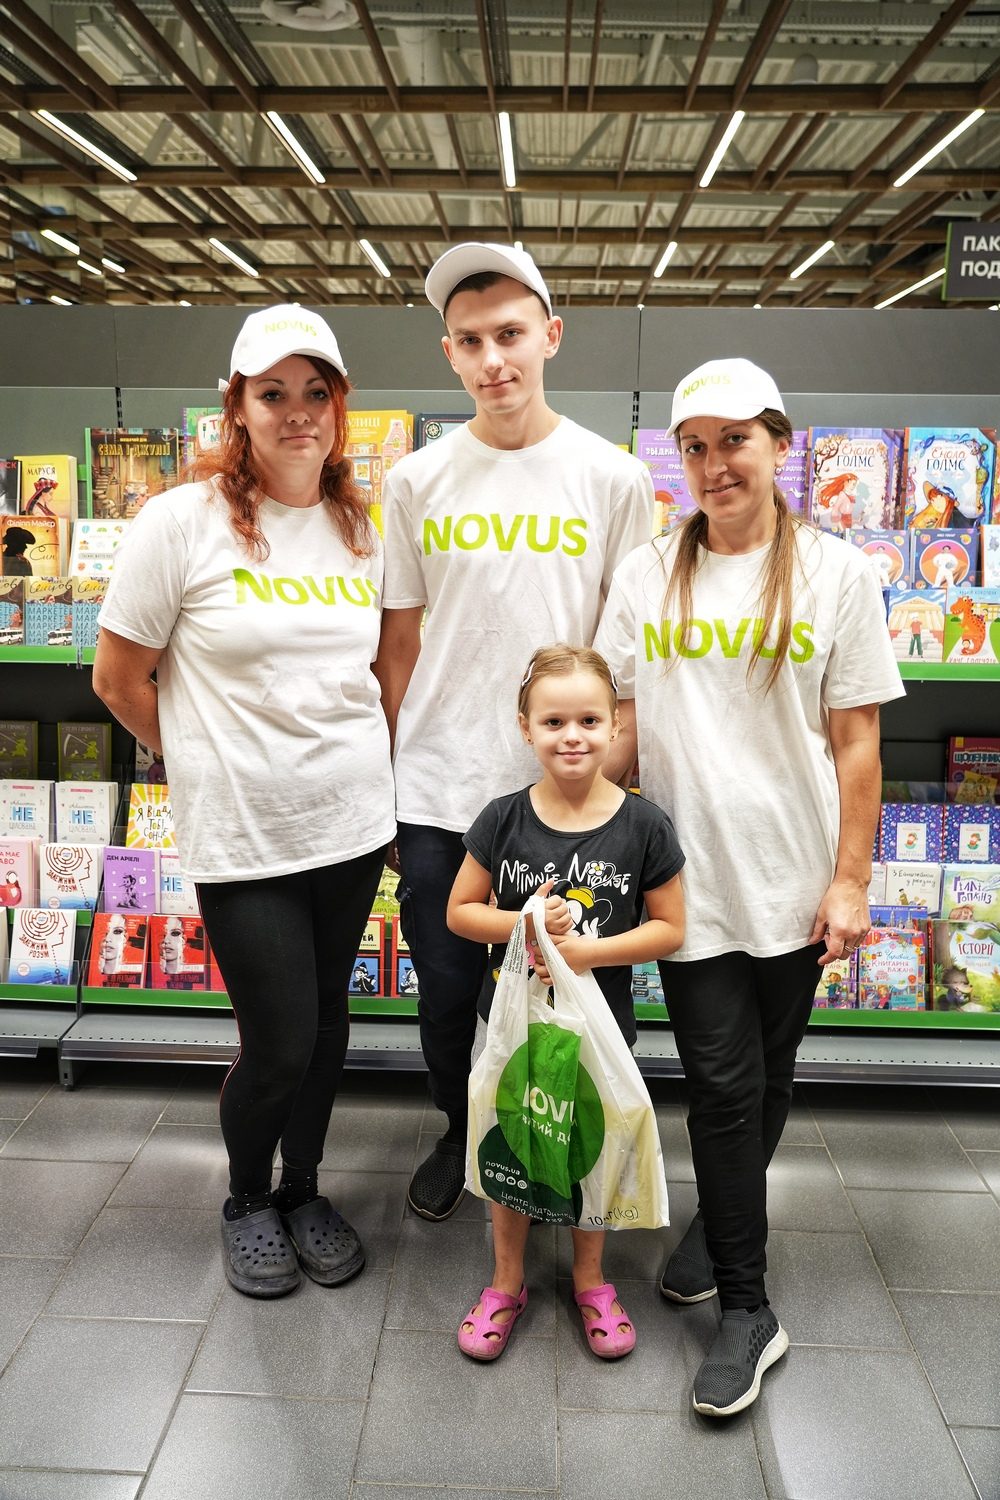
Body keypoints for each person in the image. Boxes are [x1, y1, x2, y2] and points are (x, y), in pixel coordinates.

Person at [595, 356, 904, 1417]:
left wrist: (851, 881)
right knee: (724, 1089)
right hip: (688, 887)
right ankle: (747, 1307)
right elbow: (624, 724)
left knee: (768, 1078)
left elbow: (855, 742)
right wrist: (562, 804)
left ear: (779, 443)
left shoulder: (836, 574)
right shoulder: (646, 574)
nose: (715, 464)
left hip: (795, 876)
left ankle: (720, 1225)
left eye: (735, 440)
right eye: (694, 447)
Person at [93, 304, 395, 1300]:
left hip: (352, 822)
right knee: (280, 1039)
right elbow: (118, 679)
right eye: (274, 394)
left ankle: (303, 1188)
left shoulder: (362, 528)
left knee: (329, 1024)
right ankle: (247, 1198)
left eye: (316, 392)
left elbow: (379, 672)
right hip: (244, 832)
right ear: (238, 406)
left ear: (339, 406)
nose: (297, 412)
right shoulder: (179, 523)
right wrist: (199, 760)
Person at [374, 243, 654, 1221]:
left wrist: (607, 789)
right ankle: (462, 1128)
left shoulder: (614, 478)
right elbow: (398, 645)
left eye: (510, 335)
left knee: (579, 985)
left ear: (550, 337)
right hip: (442, 791)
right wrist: (400, 774)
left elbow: (630, 656)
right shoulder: (415, 480)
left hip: (569, 792)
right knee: (447, 988)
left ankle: (572, 1142)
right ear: (448, 353)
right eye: (470, 341)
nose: (492, 359)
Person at [446, 644, 685, 1360]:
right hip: (514, 1025)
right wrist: (523, 924)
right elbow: (461, 912)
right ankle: (506, 1280)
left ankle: (590, 1278)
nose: (571, 736)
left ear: (616, 726)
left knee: (589, 1144)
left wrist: (585, 953)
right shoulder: (503, 819)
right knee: (513, 1138)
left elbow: (670, 928)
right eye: (553, 722)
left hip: (599, 1026)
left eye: (588, 720)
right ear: (526, 728)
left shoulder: (644, 826)